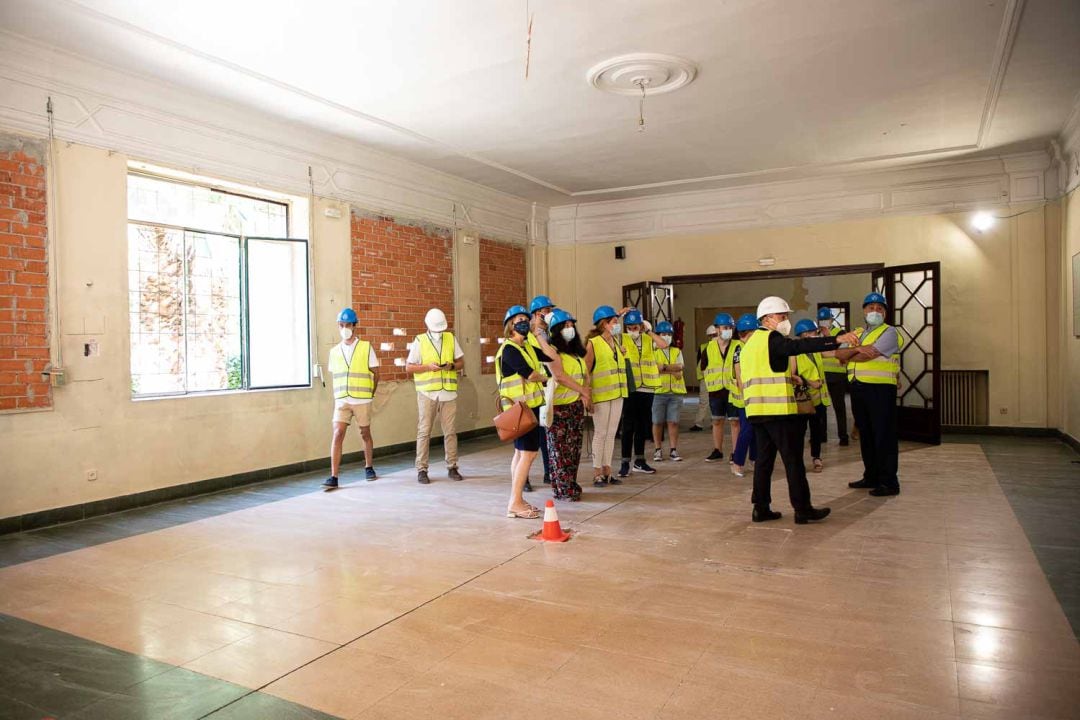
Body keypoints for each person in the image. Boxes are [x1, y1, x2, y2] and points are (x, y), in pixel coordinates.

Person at [742, 296, 859, 524]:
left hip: (756, 412)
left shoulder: (750, 343)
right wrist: (836, 339)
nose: (786, 321)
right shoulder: (771, 338)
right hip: (778, 411)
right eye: (782, 316)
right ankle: (803, 509)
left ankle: (761, 507)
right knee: (793, 461)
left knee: (764, 462)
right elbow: (800, 346)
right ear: (767, 319)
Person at [844, 293, 905, 497]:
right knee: (866, 435)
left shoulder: (889, 332)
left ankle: (889, 482)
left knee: (883, 435)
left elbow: (866, 355)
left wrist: (853, 353)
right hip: (858, 387)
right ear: (864, 310)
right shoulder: (859, 333)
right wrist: (853, 352)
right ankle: (871, 476)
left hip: (880, 389)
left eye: (880, 308)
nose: (875, 312)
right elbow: (839, 354)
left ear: (885, 312)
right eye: (871, 308)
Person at [496, 305, 548, 518]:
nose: (524, 322)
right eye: (519, 319)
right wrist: (547, 378)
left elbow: (547, 357)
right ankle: (515, 502)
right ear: (511, 325)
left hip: (528, 408)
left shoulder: (525, 347)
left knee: (520, 454)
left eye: (526, 319)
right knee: (528, 453)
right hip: (520, 410)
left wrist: (540, 333)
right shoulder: (509, 349)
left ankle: (516, 498)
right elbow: (530, 374)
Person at [405, 308, 465, 485]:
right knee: (424, 431)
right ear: (428, 326)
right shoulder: (420, 340)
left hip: (448, 392)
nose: (440, 332)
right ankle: (422, 469)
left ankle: (452, 466)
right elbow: (409, 367)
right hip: (427, 393)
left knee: (450, 432)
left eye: (442, 329)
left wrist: (451, 366)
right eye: (437, 329)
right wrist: (427, 367)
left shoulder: (450, 338)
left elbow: (461, 362)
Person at [323, 308, 379, 489]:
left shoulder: (365, 347)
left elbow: (376, 373)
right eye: (341, 325)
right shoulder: (334, 351)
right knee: (338, 433)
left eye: (348, 325)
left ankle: (369, 466)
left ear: (354, 326)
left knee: (365, 433)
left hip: (362, 399)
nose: (344, 328)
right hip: (342, 400)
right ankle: (334, 476)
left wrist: (371, 393)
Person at [539, 309, 591, 501]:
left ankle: (571, 483)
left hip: (575, 406)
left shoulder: (576, 354)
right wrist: (584, 390)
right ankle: (562, 488)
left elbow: (585, 375)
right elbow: (559, 377)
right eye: (565, 326)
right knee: (559, 451)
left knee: (574, 449)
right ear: (556, 330)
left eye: (571, 325)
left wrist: (585, 393)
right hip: (559, 409)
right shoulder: (553, 351)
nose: (570, 329)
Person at [617, 308, 668, 477]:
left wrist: (649, 331)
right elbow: (607, 332)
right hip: (630, 388)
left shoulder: (647, 339)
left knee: (641, 425)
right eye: (629, 327)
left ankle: (640, 460)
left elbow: (664, 344)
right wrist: (618, 316)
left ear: (641, 325)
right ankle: (625, 462)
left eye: (635, 326)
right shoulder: (621, 338)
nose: (633, 330)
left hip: (647, 388)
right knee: (628, 426)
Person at [584, 305, 629, 487]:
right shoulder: (593, 343)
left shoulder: (617, 342)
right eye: (614, 321)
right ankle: (597, 473)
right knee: (600, 434)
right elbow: (586, 370)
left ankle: (607, 471)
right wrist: (588, 396)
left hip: (617, 394)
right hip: (601, 396)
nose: (617, 324)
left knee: (611, 434)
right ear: (604, 324)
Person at [700, 313, 739, 462]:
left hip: (733, 390)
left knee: (735, 421)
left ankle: (736, 452)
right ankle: (718, 450)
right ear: (717, 329)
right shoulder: (709, 348)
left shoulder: (738, 346)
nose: (728, 330)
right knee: (717, 421)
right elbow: (703, 367)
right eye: (725, 327)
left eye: (730, 327)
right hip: (716, 391)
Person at [795, 319, 832, 473]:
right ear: (804, 334)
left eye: (816, 332)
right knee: (800, 431)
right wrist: (810, 383)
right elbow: (792, 375)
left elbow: (830, 353)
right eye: (813, 332)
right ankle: (797, 462)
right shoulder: (795, 352)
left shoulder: (815, 349)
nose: (815, 335)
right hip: (804, 399)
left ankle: (816, 457)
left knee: (817, 431)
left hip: (819, 399)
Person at [528, 294, 557, 489]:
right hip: (531, 391)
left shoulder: (550, 333)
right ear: (538, 313)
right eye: (547, 311)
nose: (550, 314)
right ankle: (525, 479)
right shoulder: (529, 336)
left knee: (546, 432)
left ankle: (549, 472)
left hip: (547, 389)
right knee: (529, 440)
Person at [651, 321, 686, 462]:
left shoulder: (677, 351)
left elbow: (679, 371)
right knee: (657, 422)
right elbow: (655, 369)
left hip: (675, 393)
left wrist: (664, 368)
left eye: (669, 334)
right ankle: (658, 450)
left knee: (673, 422)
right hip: (658, 392)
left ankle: (673, 450)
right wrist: (672, 368)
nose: (666, 337)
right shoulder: (653, 352)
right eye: (663, 334)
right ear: (657, 335)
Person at [730, 313, 759, 478]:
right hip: (745, 399)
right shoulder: (739, 349)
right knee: (746, 430)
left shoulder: (755, 347)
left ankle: (754, 458)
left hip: (757, 396)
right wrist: (746, 396)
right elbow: (739, 375)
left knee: (755, 430)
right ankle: (738, 462)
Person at [818, 307, 850, 446]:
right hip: (823, 375)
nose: (824, 322)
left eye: (826, 319)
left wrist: (829, 337)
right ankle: (822, 435)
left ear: (832, 319)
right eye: (821, 319)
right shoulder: (816, 335)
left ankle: (843, 436)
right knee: (822, 406)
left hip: (838, 375)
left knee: (839, 407)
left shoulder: (840, 333)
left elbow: (843, 353)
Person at [689, 325, 718, 432]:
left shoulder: (724, 347)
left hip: (718, 379)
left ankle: (714, 422)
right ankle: (699, 423)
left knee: (715, 402)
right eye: (711, 336)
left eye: (714, 335)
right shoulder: (703, 347)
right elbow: (699, 364)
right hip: (706, 379)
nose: (712, 337)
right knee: (704, 401)